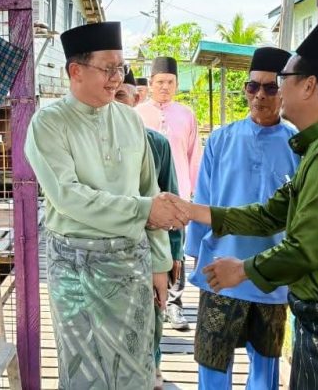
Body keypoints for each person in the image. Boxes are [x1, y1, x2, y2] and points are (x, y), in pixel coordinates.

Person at [172, 19, 318, 389]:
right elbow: (270, 214)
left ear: (309, 85)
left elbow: (305, 249)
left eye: (282, 78)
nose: (273, 90)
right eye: (255, 85)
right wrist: (192, 211)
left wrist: (242, 270)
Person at [24, 21, 186, 389]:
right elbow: (68, 196)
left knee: (135, 364)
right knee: (83, 369)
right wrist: (143, 210)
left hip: (131, 262)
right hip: (76, 266)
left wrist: (160, 263)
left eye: (121, 67)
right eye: (108, 68)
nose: (117, 78)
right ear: (76, 71)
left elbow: (149, 189)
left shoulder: (130, 119)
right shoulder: (48, 123)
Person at [185, 47, 299, 390]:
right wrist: (195, 253)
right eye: (253, 86)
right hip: (219, 269)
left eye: (270, 87)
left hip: (269, 273)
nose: (260, 95)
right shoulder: (221, 139)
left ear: (284, 92)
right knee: (212, 358)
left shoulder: (298, 145)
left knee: (265, 363)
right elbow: (203, 199)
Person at [116, 70, 184, 389]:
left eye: (121, 95)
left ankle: (153, 367)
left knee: (153, 311)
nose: (114, 101)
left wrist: (174, 252)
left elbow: (170, 198)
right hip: (110, 247)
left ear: (136, 98)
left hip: (151, 246)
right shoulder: (91, 141)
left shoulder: (156, 143)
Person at [136, 56, 201, 331]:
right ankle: (149, 301)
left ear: (176, 84)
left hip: (179, 191)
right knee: (149, 244)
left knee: (177, 249)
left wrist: (194, 192)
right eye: (160, 81)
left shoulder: (186, 115)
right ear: (151, 83)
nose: (165, 87)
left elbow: (194, 154)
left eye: (170, 82)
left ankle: (174, 304)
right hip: (147, 194)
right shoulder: (137, 113)